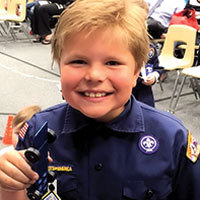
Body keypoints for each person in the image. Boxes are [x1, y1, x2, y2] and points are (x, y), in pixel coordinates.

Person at [0, 0, 200, 199]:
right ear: (60, 66)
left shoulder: (172, 138)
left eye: (112, 62)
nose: (94, 75)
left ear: (136, 72)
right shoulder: (38, 131)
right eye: (78, 61)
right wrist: (8, 181)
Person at [132, 43, 163, 107]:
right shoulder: (120, 49)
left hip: (144, 92)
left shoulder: (150, 49)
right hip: (126, 91)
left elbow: (157, 68)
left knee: (147, 112)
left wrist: (154, 77)